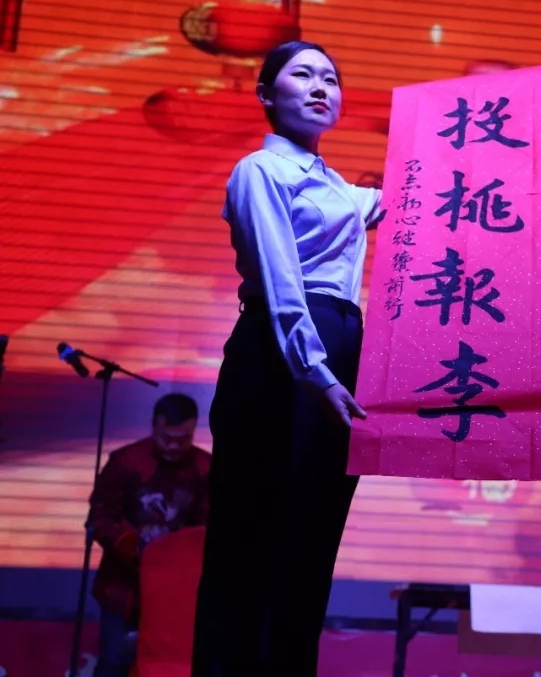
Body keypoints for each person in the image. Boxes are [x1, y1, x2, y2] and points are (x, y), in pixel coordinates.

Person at [191, 40, 383, 677]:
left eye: (331, 77)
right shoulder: (260, 170)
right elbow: (279, 282)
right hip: (283, 354)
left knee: (312, 538)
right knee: (252, 535)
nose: (321, 87)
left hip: (340, 350)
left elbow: (412, 201)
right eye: (302, 75)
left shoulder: (341, 190)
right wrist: (314, 371)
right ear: (266, 95)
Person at [88, 392, 209, 677]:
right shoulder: (125, 462)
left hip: (177, 590)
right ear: (154, 426)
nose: (174, 446)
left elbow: (208, 529)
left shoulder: (205, 469)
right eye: (167, 438)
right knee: (114, 662)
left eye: (183, 439)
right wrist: (133, 546)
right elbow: (99, 519)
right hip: (122, 585)